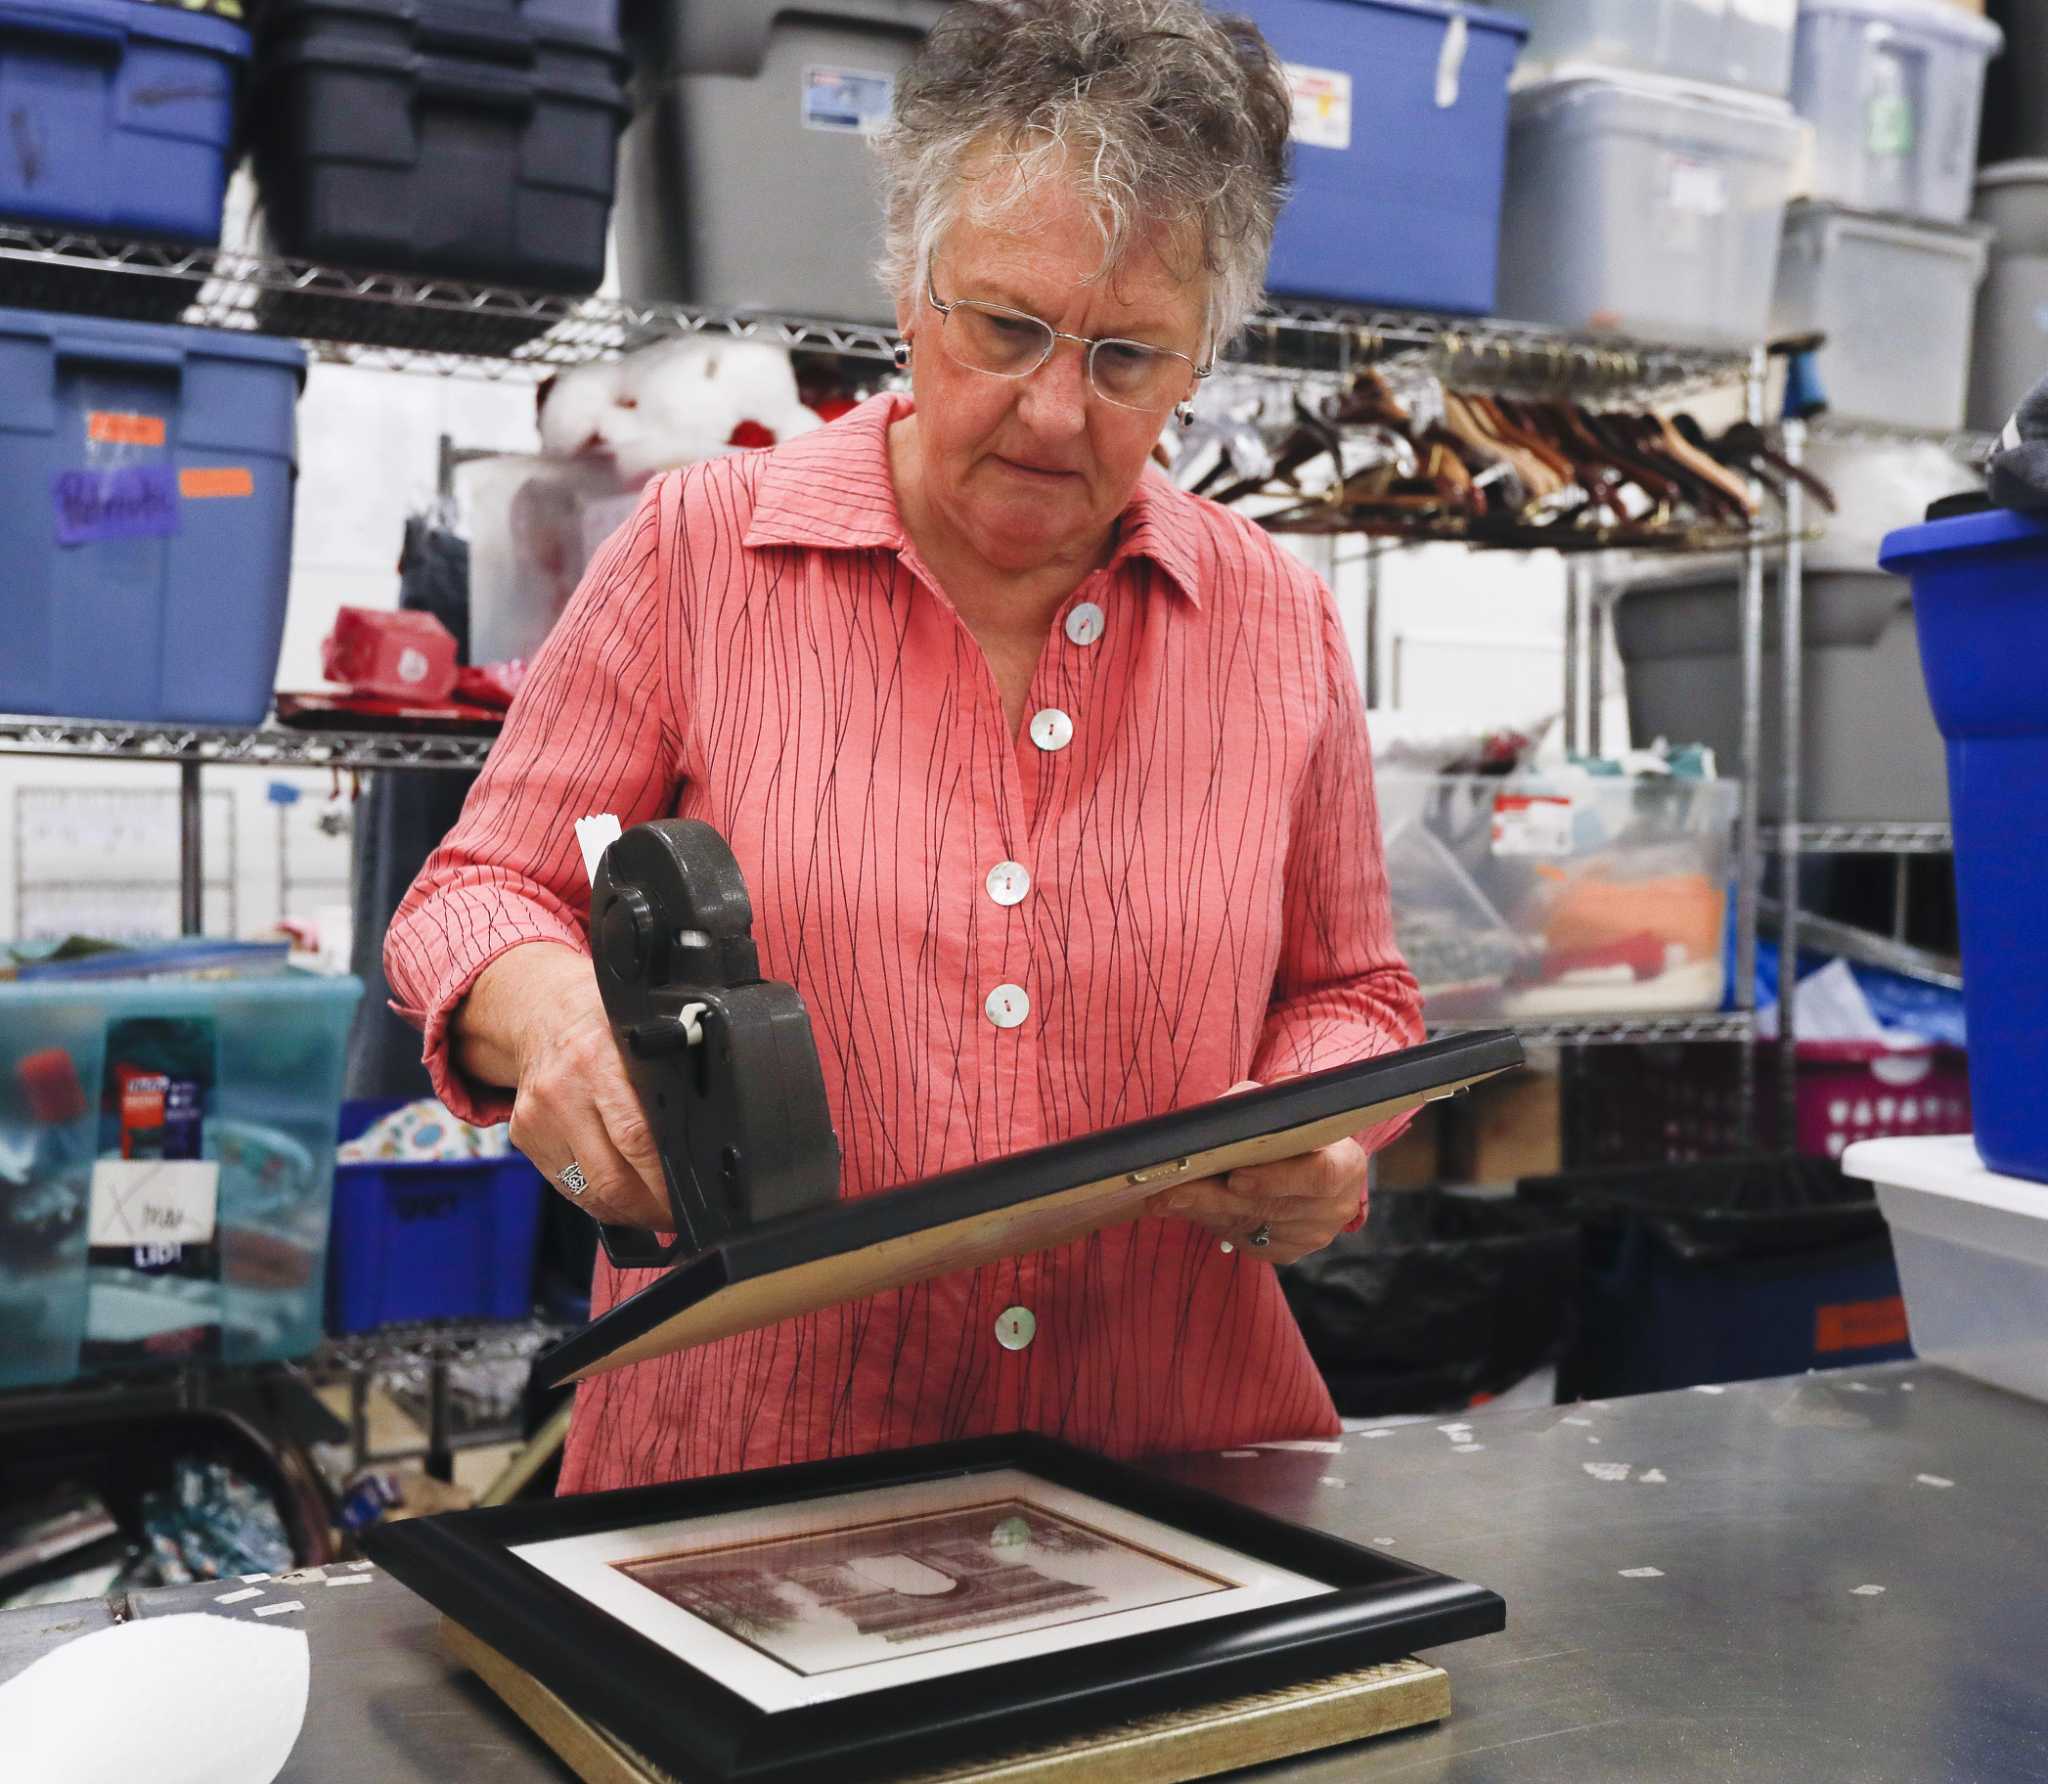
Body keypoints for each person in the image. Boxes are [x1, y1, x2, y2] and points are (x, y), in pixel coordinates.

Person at [385, 0, 1423, 1494]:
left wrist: (1319, 1143)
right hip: (747, 1480)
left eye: (1129, 356)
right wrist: (554, 1020)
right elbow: (473, 898)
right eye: (1004, 328)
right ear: (907, 288)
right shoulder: (702, 553)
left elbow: (1353, 994)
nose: (1053, 412)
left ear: (1203, 358)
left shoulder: (1274, 620)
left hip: (1172, 1470)